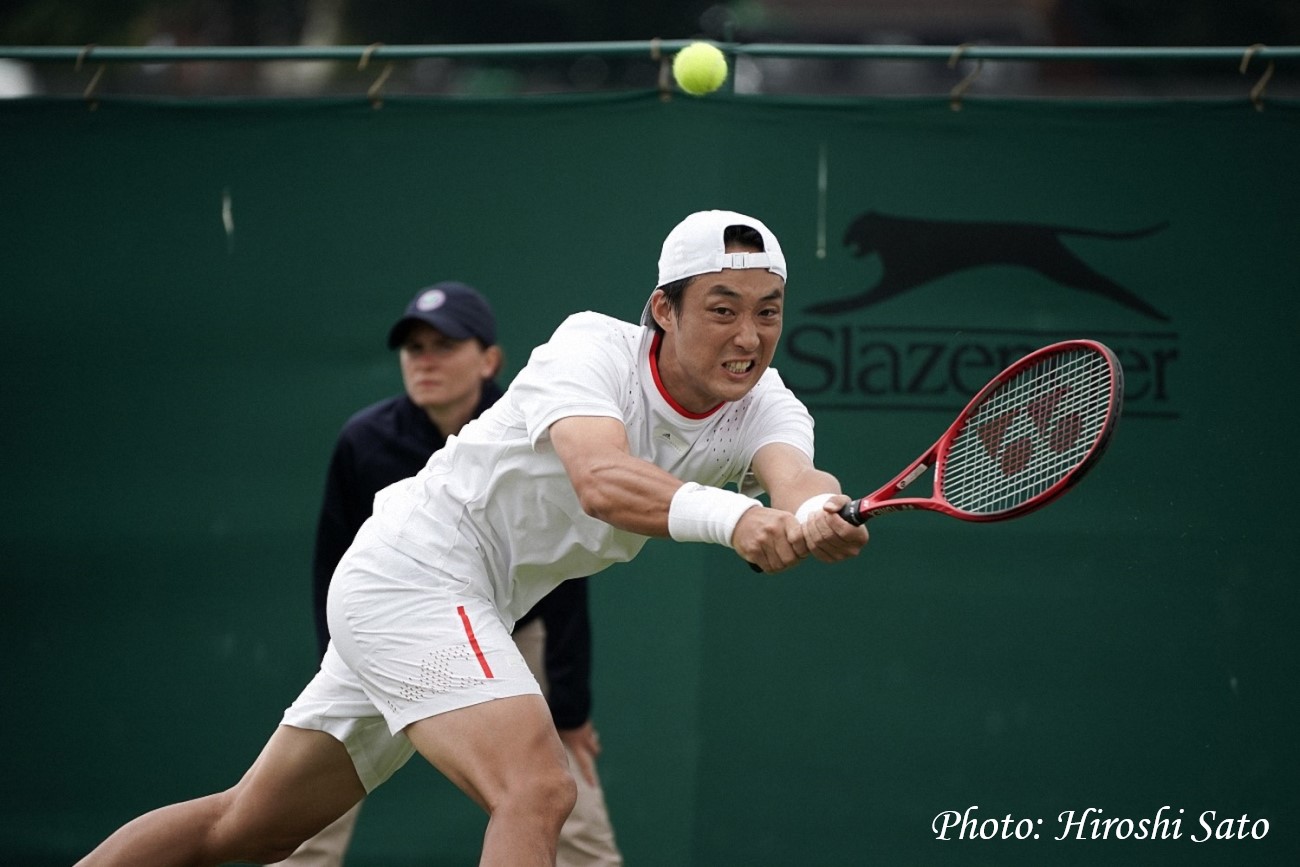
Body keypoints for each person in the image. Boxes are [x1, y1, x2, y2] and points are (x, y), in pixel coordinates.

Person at [74, 209, 870, 867]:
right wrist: (738, 519)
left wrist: (812, 517)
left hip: (455, 601)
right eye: (722, 307)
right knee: (538, 788)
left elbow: (798, 479)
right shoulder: (589, 349)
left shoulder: (767, 402)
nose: (749, 335)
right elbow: (602, 480)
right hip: (416, 571)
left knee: (247, 828)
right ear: (663, 310)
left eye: (768, 310)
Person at [269, 282, 622, 867]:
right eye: (413, 348)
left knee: (563, 798)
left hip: (514, 630)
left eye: (444, 344)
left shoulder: (543, 428)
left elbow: (567, 579)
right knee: (289, 820)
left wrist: (572, 711)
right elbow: (334, 564)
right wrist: (337, 661)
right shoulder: (364, 440)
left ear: (489, 359)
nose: (424, 360)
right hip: (393, 632)